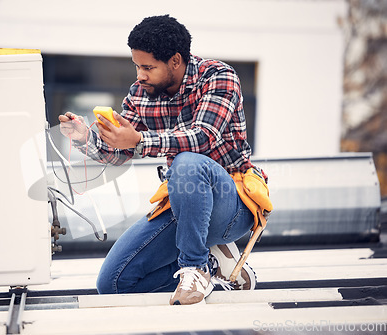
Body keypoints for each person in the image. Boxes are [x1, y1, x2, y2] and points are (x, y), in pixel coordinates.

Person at [59, 14, 265, 305]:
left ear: (176, 61)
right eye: (136, 66)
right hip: (184, 203)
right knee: (114, 284)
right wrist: (86, 139)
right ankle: (213, 266)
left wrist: (140, 140)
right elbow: (119, 152)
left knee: (187, 162)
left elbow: (202, 137)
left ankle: (194, 267)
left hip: (232, 203)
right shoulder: (140, 93)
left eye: (148, 67)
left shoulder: (218, 77)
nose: (140, 75)